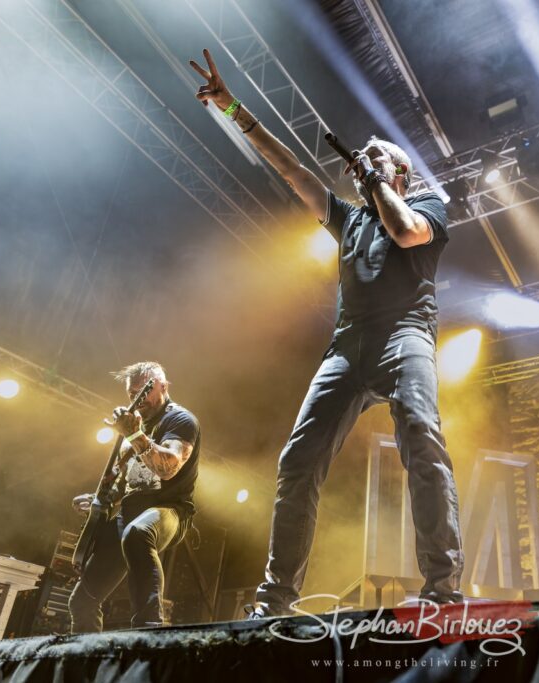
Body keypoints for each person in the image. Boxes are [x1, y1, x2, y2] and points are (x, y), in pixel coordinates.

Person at [190, 49, 463, 618]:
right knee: (298, 460)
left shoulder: (428, 204)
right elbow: (292, 170)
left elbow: (406, 233)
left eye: (375, 156)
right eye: (361, 158)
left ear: (400, 172)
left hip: (405, 334)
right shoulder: (350, 216)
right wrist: (232, 107)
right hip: (349, 344)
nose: (362, 161)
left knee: (421, 438)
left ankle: (443, 589)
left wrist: (379, 181)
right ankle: (275, 599)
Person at [68, 362, 201, 632]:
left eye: (144, 391)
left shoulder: (180, 420)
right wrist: (98, 500)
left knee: (138, 533)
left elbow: (168, 468)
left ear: (163, 386)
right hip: (128, 513)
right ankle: (86, 656)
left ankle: (148, 630)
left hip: (170, 510)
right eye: (132, 394)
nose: (138, 399)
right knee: (81, 602)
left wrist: (135, 434)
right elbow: (126, 481)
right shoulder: (132, 425)